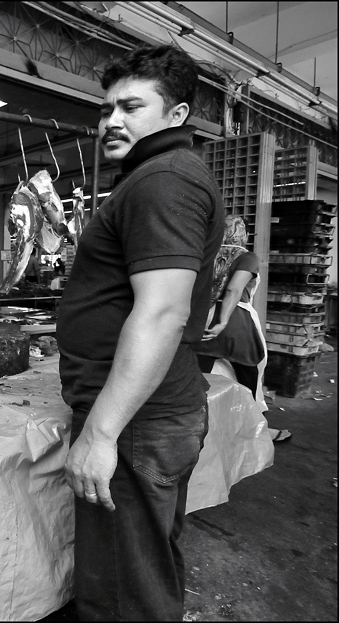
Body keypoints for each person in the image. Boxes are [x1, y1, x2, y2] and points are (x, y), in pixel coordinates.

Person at [56, 44, 225, 621]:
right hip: (145, 415)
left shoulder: (164, 181)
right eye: (106, 110)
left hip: (135, 423)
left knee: (123, 591)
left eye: (131, 107)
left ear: (176, 116)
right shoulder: (156, 177)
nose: (112, 121)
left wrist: (101, 435)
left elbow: (161, 313)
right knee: (141, 568)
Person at [193, 215, 291, 442]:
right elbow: (233, 290)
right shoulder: (247, 257)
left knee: (201, 381)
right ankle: (258, 430)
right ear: (243, 233)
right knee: (250, 380)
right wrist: (223, 320)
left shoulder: (206, 255)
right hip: (236, 325)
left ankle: (203, 431)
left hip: (201, 321)